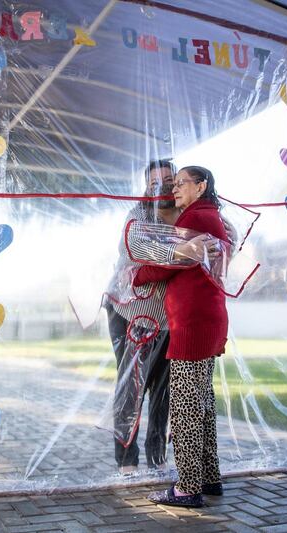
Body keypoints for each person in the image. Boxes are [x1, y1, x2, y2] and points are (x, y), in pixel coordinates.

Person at [132, 166, 229, 508]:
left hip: (192, 324)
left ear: (201, 185)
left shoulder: (198, 217)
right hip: (205, 320)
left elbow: (171, 260)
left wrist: (138, 273)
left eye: (180, 183)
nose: (174, 189)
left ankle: (188, 488)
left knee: (186, 407)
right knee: (201, 403)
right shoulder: (207, 214)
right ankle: (208, 477)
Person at [102, 159, 180, 474]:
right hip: (128, 310)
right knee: (132, 384)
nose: (161, 186)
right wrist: (184, 252)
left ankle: (157, 456)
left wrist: (198, 244)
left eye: (168, 179)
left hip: (167, 315)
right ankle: (126, 460)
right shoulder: (137, 214)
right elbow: (135, 246)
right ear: (146, 187)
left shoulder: (187, 213)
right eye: (154, 182)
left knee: (164, 388)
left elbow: (221, 238)